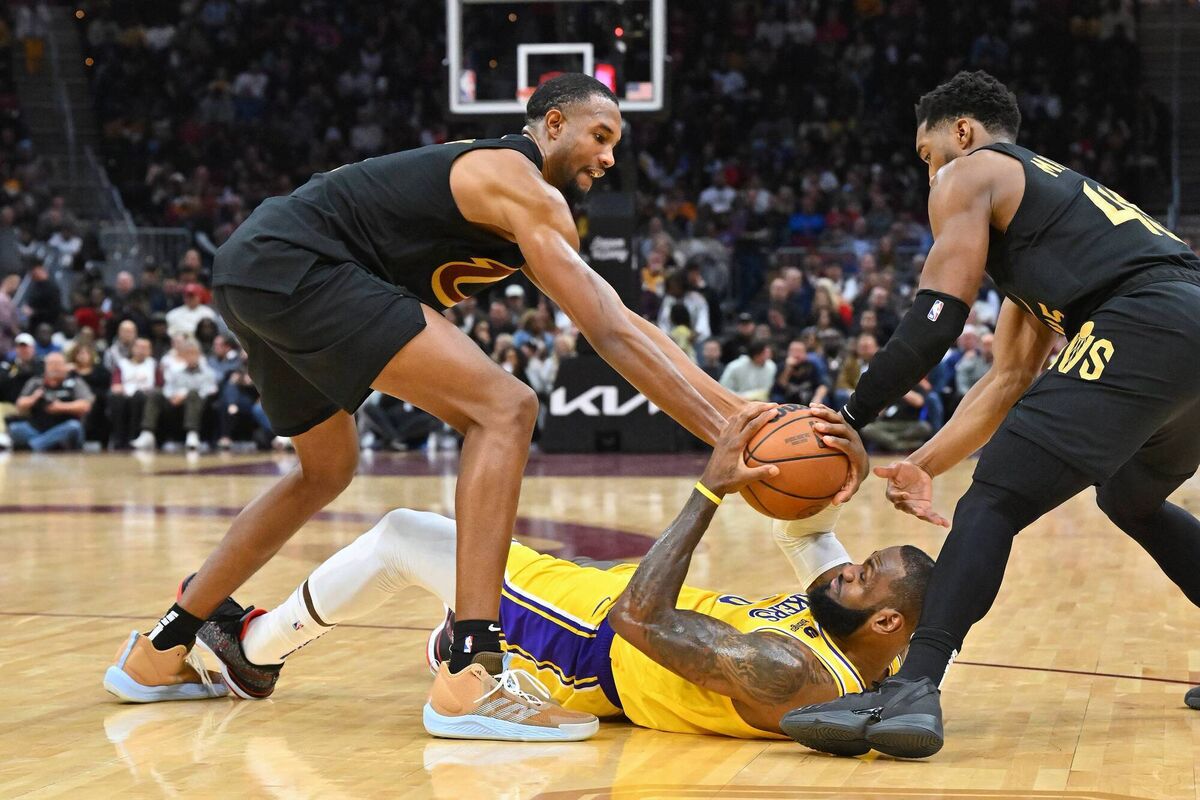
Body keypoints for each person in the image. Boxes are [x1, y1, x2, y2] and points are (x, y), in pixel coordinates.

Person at [105, 75, 841, 743]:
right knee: (506, 408)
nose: (610, 157)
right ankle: (472, 672)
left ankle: (162, 649)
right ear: (553, 123)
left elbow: (623, 317)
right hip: (301, 266)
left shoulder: (523, 202)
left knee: (324, 470)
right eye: (601, 136)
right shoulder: (520, 184)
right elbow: (608, 330)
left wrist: (740, 408)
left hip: (257, 268)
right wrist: (724, 432)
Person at [783, 70, 1200, 759]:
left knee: (996, 500)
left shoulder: (973, 172)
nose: (930, 177)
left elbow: (937, 318)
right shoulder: (1050, 224)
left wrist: (852, 416)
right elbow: (1005, 381)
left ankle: (914, 685)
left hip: (1144, 319)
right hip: (1185, 325)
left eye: (928, 156)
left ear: (965, 133)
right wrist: (921, 463)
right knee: (1131, 495)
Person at [173, 406, 930, 741]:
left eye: (863, 577)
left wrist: (709, 490)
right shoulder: (859, 634)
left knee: (403, 534)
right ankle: (446, 646)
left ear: (888, 621)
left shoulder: (788, 669)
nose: (844, 571)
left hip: (590, 642)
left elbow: (643, 621)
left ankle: (255, 653)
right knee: (436, 551)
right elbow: (811, 528)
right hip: (597, 606)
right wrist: (845, 464)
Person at [10, 351, 93, 451]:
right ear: (45, 366)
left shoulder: (74, 382)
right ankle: (45, 443)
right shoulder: (36, 382)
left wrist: (60, 407)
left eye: (58, 364)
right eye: (52, 364)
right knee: (15, 428)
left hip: (64, 429)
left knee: (74, 427)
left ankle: (34, 446)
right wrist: (33, 398)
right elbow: (20, 405)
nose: (55, 367)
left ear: (65, 366)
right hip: (38, 430)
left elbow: (86, 406)